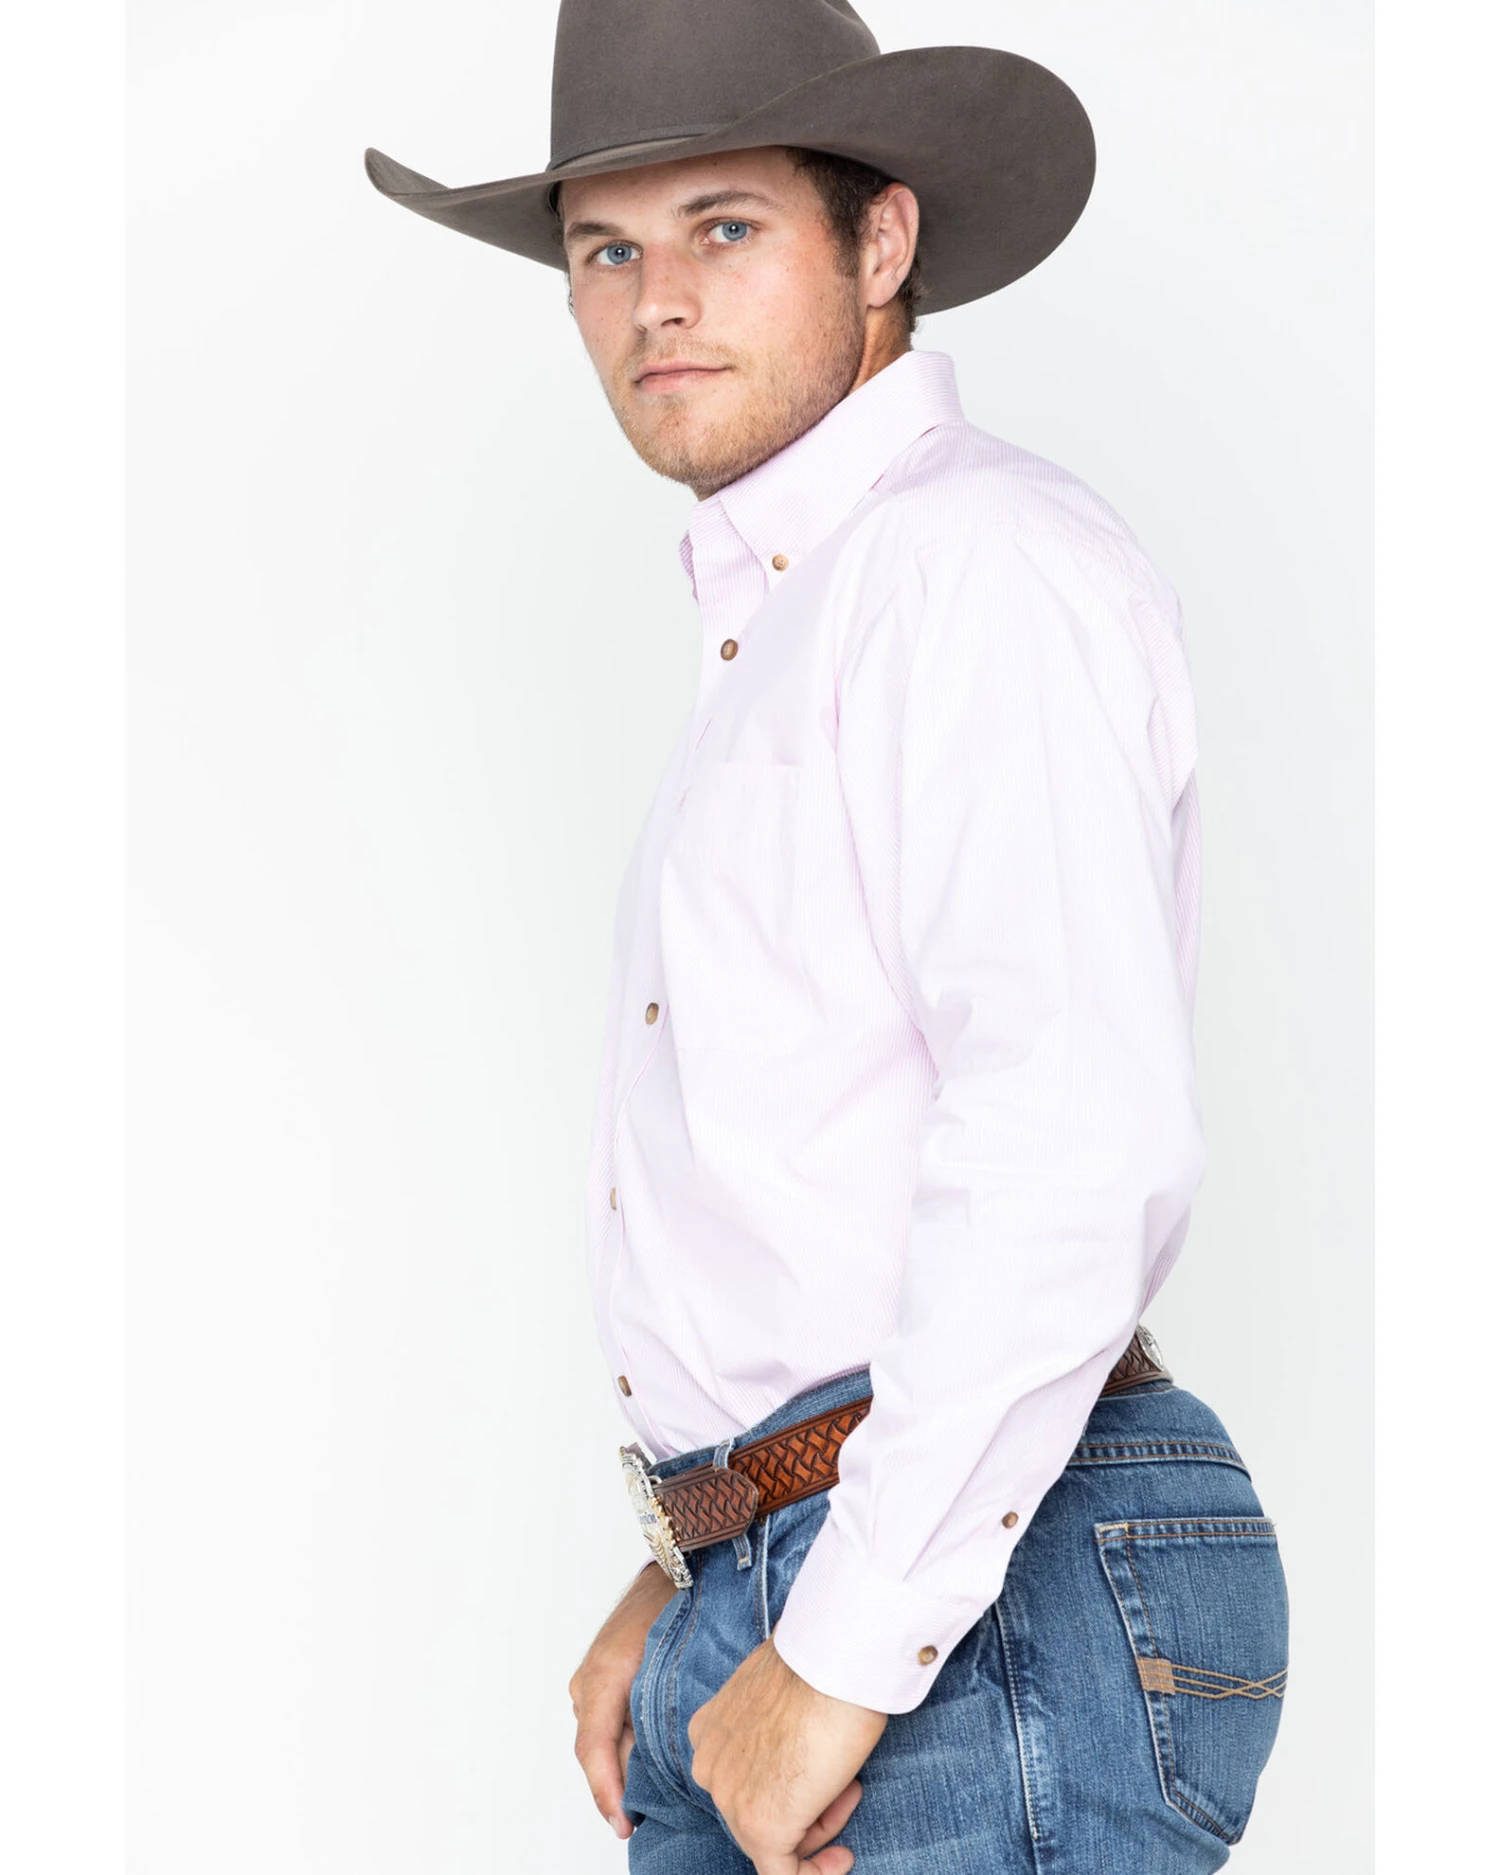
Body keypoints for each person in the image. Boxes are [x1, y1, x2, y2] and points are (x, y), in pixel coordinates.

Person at [364, 3, 1290, 1870]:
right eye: (604, 252)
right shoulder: (796, 619)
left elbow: (1066, 1136)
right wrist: (694, 1563)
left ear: (882, 244)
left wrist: (841, 1643)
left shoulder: (970, 565)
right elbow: (816, 1182)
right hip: (825, 1569)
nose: (655, 302)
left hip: (969, 1601)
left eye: (723, 228)